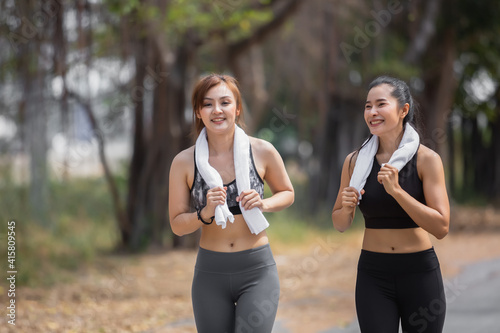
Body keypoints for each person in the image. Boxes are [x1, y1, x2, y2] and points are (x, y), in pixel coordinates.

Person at [169, 73, 294, 333]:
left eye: (225, 102)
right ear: (198, 111)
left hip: (257, 271)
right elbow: (178, 225)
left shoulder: (262, 151)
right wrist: (204, 213)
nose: (217, 110)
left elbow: (287, 193)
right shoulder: (184, 162)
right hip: (210, 274)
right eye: (207, 104)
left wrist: (264, 203)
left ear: (237, 109)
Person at [331, 76, 450, 333]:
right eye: (367, 106)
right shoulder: (354, 162)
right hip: (374, 274)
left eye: (380, 104)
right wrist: (348, 207)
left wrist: (397, 191)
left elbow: (441, 226)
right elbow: (340, 223)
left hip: (419, 273)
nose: (372, 112)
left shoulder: (426, 160)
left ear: (403, 110)